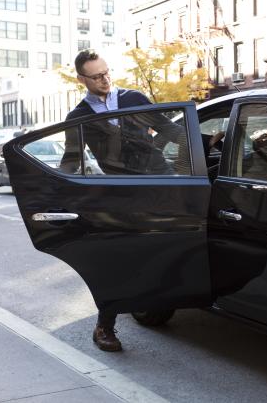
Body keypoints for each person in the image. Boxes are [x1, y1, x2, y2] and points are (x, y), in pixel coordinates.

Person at [64, 49, 222, 352]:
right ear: (81, 78)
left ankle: (182, 298)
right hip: (124, 193)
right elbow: (71, 160)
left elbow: (171, 130)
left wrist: (210, 143)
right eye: (96, 76)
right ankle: (105, 327)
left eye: (107, 72)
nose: (105, 79)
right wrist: (54, 189)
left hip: (161, 181)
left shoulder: (134, 99)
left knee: (179, 245)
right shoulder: (79, 118)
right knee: (124, 258)